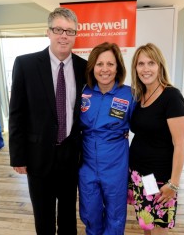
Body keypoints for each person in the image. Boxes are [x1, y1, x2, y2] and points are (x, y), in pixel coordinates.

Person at [8, 7, 87, 235]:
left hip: (71, 156)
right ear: (48, 32)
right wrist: (18, 156)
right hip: (37, 156)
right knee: (43, 218)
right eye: (58, 29)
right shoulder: (26, 64)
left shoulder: (85, 67)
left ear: (75, 35)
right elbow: (16, 113)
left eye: (70, 31)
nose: (64, 35)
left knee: (67, 218)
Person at [127, 43, 184, 235]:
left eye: (151, 63)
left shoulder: (172, 96)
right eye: (141, 64)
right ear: (135, 68)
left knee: (159, 229)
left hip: (161, 177)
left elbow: (180, 144)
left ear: (160, 66)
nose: (146, 69)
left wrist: (174, 183)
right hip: (140, 174)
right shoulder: (140, 96)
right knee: (147, 224)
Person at [79, 42, 136, 235]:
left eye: (110, 64)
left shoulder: (130, 94)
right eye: (99, 64)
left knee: (115, 213)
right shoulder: (83, 92)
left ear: (118, 67)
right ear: (92, 67)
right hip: (86, 163)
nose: (105, 69)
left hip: (115, 162)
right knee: (89, 212)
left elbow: (145, 127)